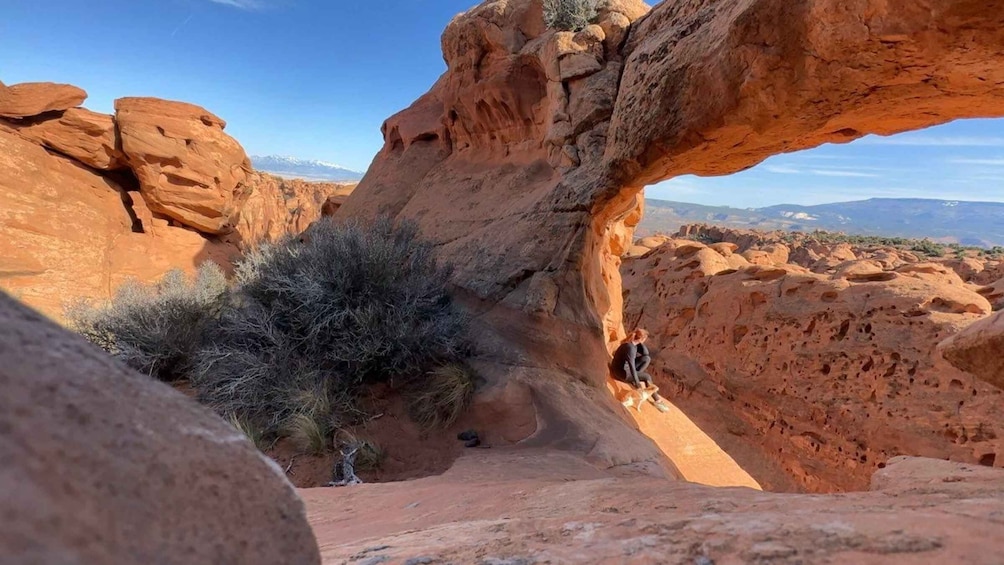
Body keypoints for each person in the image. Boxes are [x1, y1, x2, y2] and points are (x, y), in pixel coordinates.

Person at [612, 329, 669, 413]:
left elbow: (646, 354)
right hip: (621, 373)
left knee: (646, 359)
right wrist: (638, 384)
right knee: (647, 376)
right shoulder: (630, 348)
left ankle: (635, 379)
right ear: (642, 339)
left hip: (624, 368)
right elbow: (631, 366)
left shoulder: (633, 344)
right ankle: (658, 401)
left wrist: (641, 343)